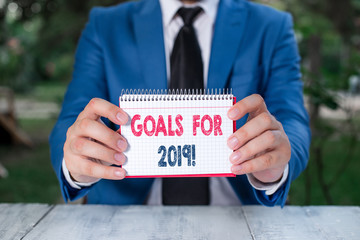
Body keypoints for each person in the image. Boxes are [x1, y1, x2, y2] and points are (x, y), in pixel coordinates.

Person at [49, 0, 310, 206]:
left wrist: (275, 164)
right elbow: (74, 115)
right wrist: (76, 160)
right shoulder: (105, 25)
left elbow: (291, 117)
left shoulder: (272, 26)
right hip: (126, 211)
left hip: (239, 208)